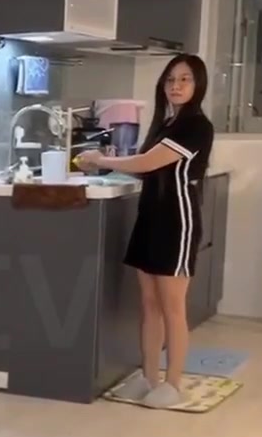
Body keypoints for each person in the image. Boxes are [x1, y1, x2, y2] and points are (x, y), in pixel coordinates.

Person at [78, 53, 215, 409]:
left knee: (173, 308)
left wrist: (101, 159)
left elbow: (147, 162)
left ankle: (173, 384)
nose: (176, 86)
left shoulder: (197, 125)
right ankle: (149, 377)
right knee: (149, 305)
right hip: (150, 218)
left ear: (198, 85)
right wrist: (107, 164)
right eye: (171, 79)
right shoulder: (166, 124)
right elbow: (143, 169)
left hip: (177, 222)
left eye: (184, 79)